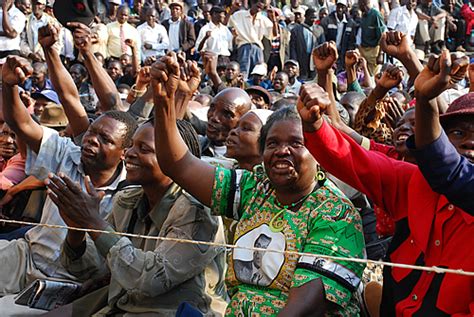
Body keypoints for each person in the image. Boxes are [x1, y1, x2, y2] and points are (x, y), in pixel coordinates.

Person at [151, 53, 365, 316]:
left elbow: (304, 309)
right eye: (273, 143)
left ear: (319, 154)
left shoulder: (336, 214)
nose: (282, 151)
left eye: (297, 144)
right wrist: (163, 102)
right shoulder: (256, 188)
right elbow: (179, 166)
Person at [299, 49, 474, 315]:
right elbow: (352, 160)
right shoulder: (413, 181)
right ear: (440, 138)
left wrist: (424, 94)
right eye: (458, 132)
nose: (470, 142)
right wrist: (314, 125)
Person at [49, 119, 227, 316]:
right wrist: (77, 229)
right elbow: (92, 269)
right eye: (131, 145)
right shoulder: (127, 200)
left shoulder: (198, 211)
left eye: (144, 149)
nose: (129, 153)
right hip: (125, 305)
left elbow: (150, 280)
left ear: (174, 160)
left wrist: (93, 223)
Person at [0, 55, 137, 301]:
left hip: (69, 283)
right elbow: (22, 124)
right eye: (92, 132)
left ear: (124, 153)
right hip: (26, 256)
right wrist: (8, 86)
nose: (92, 140)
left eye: (105, 139)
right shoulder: (67, 153)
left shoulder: (130, 193)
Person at [409, 52, 474, 215]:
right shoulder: (409, 180)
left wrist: (425, 100)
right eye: (458, 133)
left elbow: (449, 170)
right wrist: (424, 99)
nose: (470, 143)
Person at [229, 0, 278, 79]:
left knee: (258, 75)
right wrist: (232, 9)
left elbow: (274, 34)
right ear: (252, 3)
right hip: (244, 47)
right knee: (243, 74)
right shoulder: (240, 15)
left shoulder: (263, 19)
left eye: (261, 8)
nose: (259, 9)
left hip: (258, 49)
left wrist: (273, 19)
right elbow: (226, 23)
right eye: (258, 6)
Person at [200, 87, 252, 157]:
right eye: (212, 108)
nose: (214, 118)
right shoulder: (194, 145)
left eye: (227, 114)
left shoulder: (245, 160)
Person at [320, 0, 357, 70]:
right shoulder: (327, 20)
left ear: (345, 8)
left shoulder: (350, 23)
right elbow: (323, 37)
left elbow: (351, 41)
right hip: (330, 52)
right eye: (338, 7)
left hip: (342, 53)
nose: (340, 9)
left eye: (342, 7)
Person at [289, 8, 325, 80]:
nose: (313, 20)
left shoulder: (319, 30)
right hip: (301, 61)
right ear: (306, 16)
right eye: (311, 17)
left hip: (314, 62)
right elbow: (292, 48)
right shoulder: (296, 30)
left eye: (315, 18)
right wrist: (295, 63)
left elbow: (322, 46)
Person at [357, 0, 385, 75]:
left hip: (374, 51)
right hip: (363, 50)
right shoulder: (363, 16)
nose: (358, 6)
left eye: (359, 3)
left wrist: (381, 54)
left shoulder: (375, 15)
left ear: (363, 3)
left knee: (373, 75)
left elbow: (382, 36)